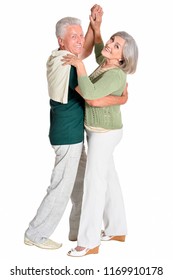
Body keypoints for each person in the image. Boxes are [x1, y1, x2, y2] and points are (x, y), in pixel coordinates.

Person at [24, 5, 127, 250]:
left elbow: (84, 50)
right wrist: (121, 99)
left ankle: (76, 230)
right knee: (61, 187)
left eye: (81, 35)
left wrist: (93, 27)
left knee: (79, 184)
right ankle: (35, 233)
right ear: (61, 41)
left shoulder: (64, 55)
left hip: (70, 134)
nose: (80, 41)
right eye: (74, 36)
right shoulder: (64, 62)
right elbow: (90, 95)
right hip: (68, 136)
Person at [62, 11, 138, 256]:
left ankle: (89, 241)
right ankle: (117, 228)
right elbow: (98, 52)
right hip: (103, 131)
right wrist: (97, 27)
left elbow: (90, 94)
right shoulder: (108, 64)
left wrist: (80, 66)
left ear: (122, 59)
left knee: (94, 184)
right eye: (112, 40)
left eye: (116, 46)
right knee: (109, 178)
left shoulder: (116, 74)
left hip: (104, 134)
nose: (109, 45)